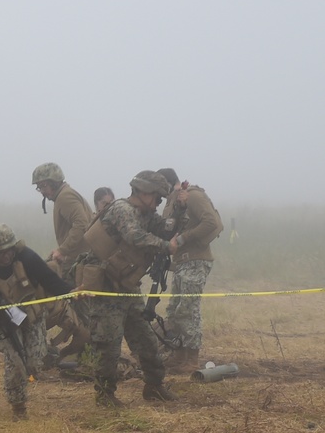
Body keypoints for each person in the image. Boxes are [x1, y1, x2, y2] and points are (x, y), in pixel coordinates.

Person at [78, 171, 180, 408]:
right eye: (156, 197)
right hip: (106, 287)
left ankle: (154, 386)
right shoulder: (121, 210)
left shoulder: (147, 214)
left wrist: (180, 207)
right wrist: (166, 247)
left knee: (145, 339)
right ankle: (104, 395)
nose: (158, 203)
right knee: (108, 344)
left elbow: (167, 227)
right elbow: (134, 236)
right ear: (143, 192)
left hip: (127, 286)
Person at [0, 224, 73, 421]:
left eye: (8, 251)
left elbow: (49, 279)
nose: (5, 256)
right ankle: (18, 408)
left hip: (33, 317)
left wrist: (71, 293)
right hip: (6, 323)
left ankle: (49, 354)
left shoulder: (27, 258)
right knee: (16, 364)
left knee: (35, 362)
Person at [156, 168, 222, 373]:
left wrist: (183, 239)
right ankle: (179, 355)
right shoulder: (174, 201)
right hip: (181, 263)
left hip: (195, 261)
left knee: (188, 309)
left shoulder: (193, 195)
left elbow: (212, 222)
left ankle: (192, 358)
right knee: (175, 310)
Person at [31, 163, 94, 273]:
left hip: (81, 262)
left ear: (54, 183)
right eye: (39, 187)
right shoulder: (64, 195)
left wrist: (62, 250)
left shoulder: (65, 197)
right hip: (80, 259)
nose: (42, 191)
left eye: (44, 186)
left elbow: (81, 224)